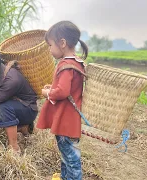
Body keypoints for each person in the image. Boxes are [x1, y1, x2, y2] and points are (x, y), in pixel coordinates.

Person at [36, 21, 88, 180]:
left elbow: (63, 91)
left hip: (65, 120)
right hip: (71, 118)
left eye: (50, 45)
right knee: (67, 153)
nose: (50, 50)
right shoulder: (77, 62)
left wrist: (47, 93)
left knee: (71, 157)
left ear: (63, 43)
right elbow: (70, 87)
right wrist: (53, 86)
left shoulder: (66, 64)